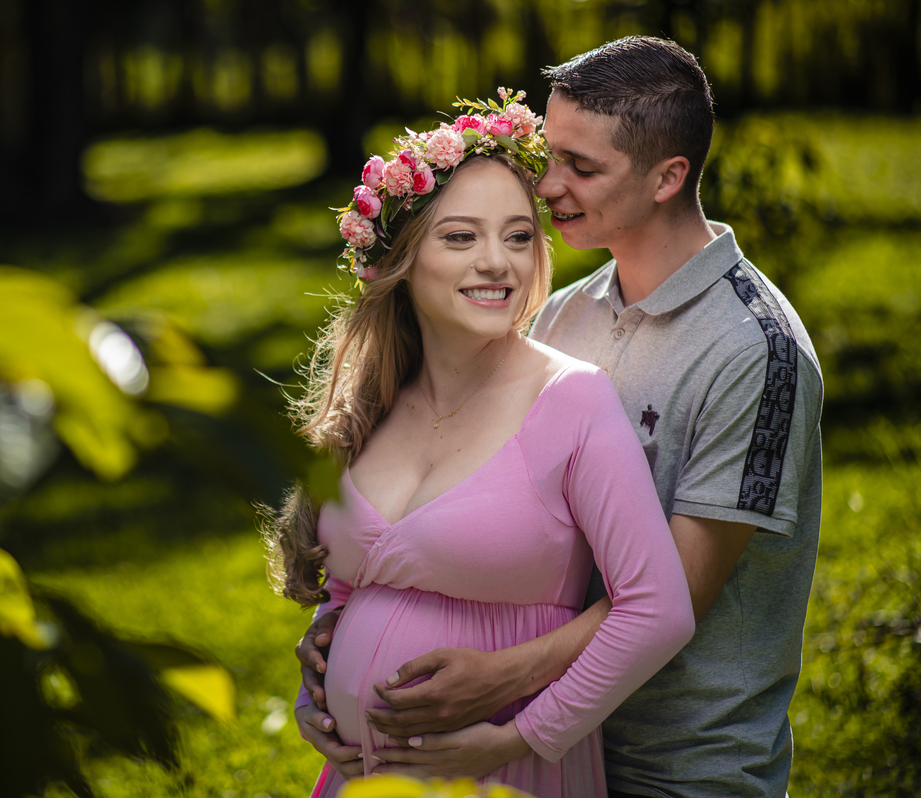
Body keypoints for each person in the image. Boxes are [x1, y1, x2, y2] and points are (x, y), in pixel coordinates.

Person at [294, 37, 824, 798]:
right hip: (554, 732)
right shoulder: (564, 315)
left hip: (680, 757)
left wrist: (500, 686)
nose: (547, 186)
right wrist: (343, 636)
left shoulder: (754, 350)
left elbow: (674, 592)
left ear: (669, 176)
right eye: (551, 155)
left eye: (582, 167)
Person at [268, 88, 695, 797]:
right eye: (461, 237)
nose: (498, 262)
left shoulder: (571, 400)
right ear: (403, 259)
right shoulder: (375, 401)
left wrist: (517, 738)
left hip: (503, 776)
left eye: (519, 236)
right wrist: (316, 693)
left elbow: (658, 609)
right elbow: (348, 588)